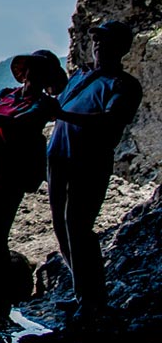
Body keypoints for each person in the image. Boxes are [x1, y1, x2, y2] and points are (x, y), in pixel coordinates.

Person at [46, 20, 142, 321]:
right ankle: (83, 295)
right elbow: (57, 105)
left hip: (89, 162)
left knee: (79, 228)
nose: (98, 45)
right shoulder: (80, 77)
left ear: (122, 48)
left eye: (107, 41)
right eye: (96, 40)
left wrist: (60, 112)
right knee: (62, 228)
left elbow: (111, 120)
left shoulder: (124, 85)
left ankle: (94, 302)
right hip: (58, 157)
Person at [0, 49, 67, 309]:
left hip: (10, 177)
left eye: (38, 69)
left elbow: (16, 124)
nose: (31, 72)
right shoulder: (5, 94)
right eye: (31, 67)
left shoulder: (45, 105)